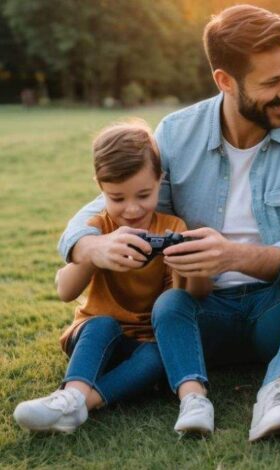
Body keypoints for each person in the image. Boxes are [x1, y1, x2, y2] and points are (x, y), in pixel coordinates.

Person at [56, 5, 280, 449]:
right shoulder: (176, 134)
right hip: (199, 312)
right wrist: (90, 248)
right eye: (271, 82)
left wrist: (231, 255)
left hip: (275, 310)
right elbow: (109, 205)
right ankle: (195, 392)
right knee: (171, 304)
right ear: (225, 81)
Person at [14, 121, 209, 433]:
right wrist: (94, 253)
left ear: (161, 181)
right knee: (104, 323)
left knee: (160, 357)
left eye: (143, 195)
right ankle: (71, 394)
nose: (131, 209)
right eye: (117, 198)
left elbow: (187, 298)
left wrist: (194, 268)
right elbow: (65, 291)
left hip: (144, 340)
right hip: (94, 333)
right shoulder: (98, 228)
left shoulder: (172, 228)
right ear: (100, 187)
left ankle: (80, 405)